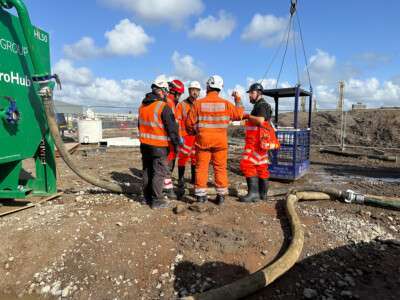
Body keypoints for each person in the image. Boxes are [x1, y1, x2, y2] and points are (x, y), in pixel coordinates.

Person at [186, 75, 244, 205]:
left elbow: (189, 124)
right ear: (220, 88)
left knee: (201, 168)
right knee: (220, 168)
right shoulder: (226, 104)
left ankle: (200, 197)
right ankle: (221, 196)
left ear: (207, 87)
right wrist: (238, 98)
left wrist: (196, 132)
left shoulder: (198, 103)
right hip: (220, 142)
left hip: (203, 142)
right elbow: (239, 114)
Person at [138, 79, 180, 209]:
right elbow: (172, 129)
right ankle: (157, 200)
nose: (166, 95)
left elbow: (139, 126)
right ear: (161, 91)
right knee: (159, 172)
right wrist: (176, 143)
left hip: (145, 145)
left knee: (147, 172)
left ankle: (146, 198)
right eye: (166, 92)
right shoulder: (163, 107)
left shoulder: (142, 106)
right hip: (159, 147)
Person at [239, 83, 278, 202]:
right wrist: (238, 100)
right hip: (260, 143)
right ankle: (262, 194)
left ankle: (253, 194)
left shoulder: (261, 106)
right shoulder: (262, 105)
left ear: (258, 93)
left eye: (252, 93)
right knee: (261, 166)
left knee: (247, 164)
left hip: (255, 143)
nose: (250, 95)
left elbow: (260, 121)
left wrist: (247, 116)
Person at [175, 81, 201, 198]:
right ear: (189, 91)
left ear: (199, 92)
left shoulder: (201, 104)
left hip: (197, 136)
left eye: (197, 90)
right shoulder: (182, 105)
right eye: (192, 89)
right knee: (183, 157)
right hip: (185, 135)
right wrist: (179, 135)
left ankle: (194, 179)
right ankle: (180, 179)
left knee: (196, 158)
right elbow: (178, 121)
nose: (194, 92)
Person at [163, 79, 185, 199]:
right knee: (167, 165)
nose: (180, 97)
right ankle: (167, 189)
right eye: (180, 94)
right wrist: (178, 139)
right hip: (169, 140)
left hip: (167, 139)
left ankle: (165, 186)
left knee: (166, 164)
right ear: (175, 92)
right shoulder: (170, 103)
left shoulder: (168, 101)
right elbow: (174, 124)